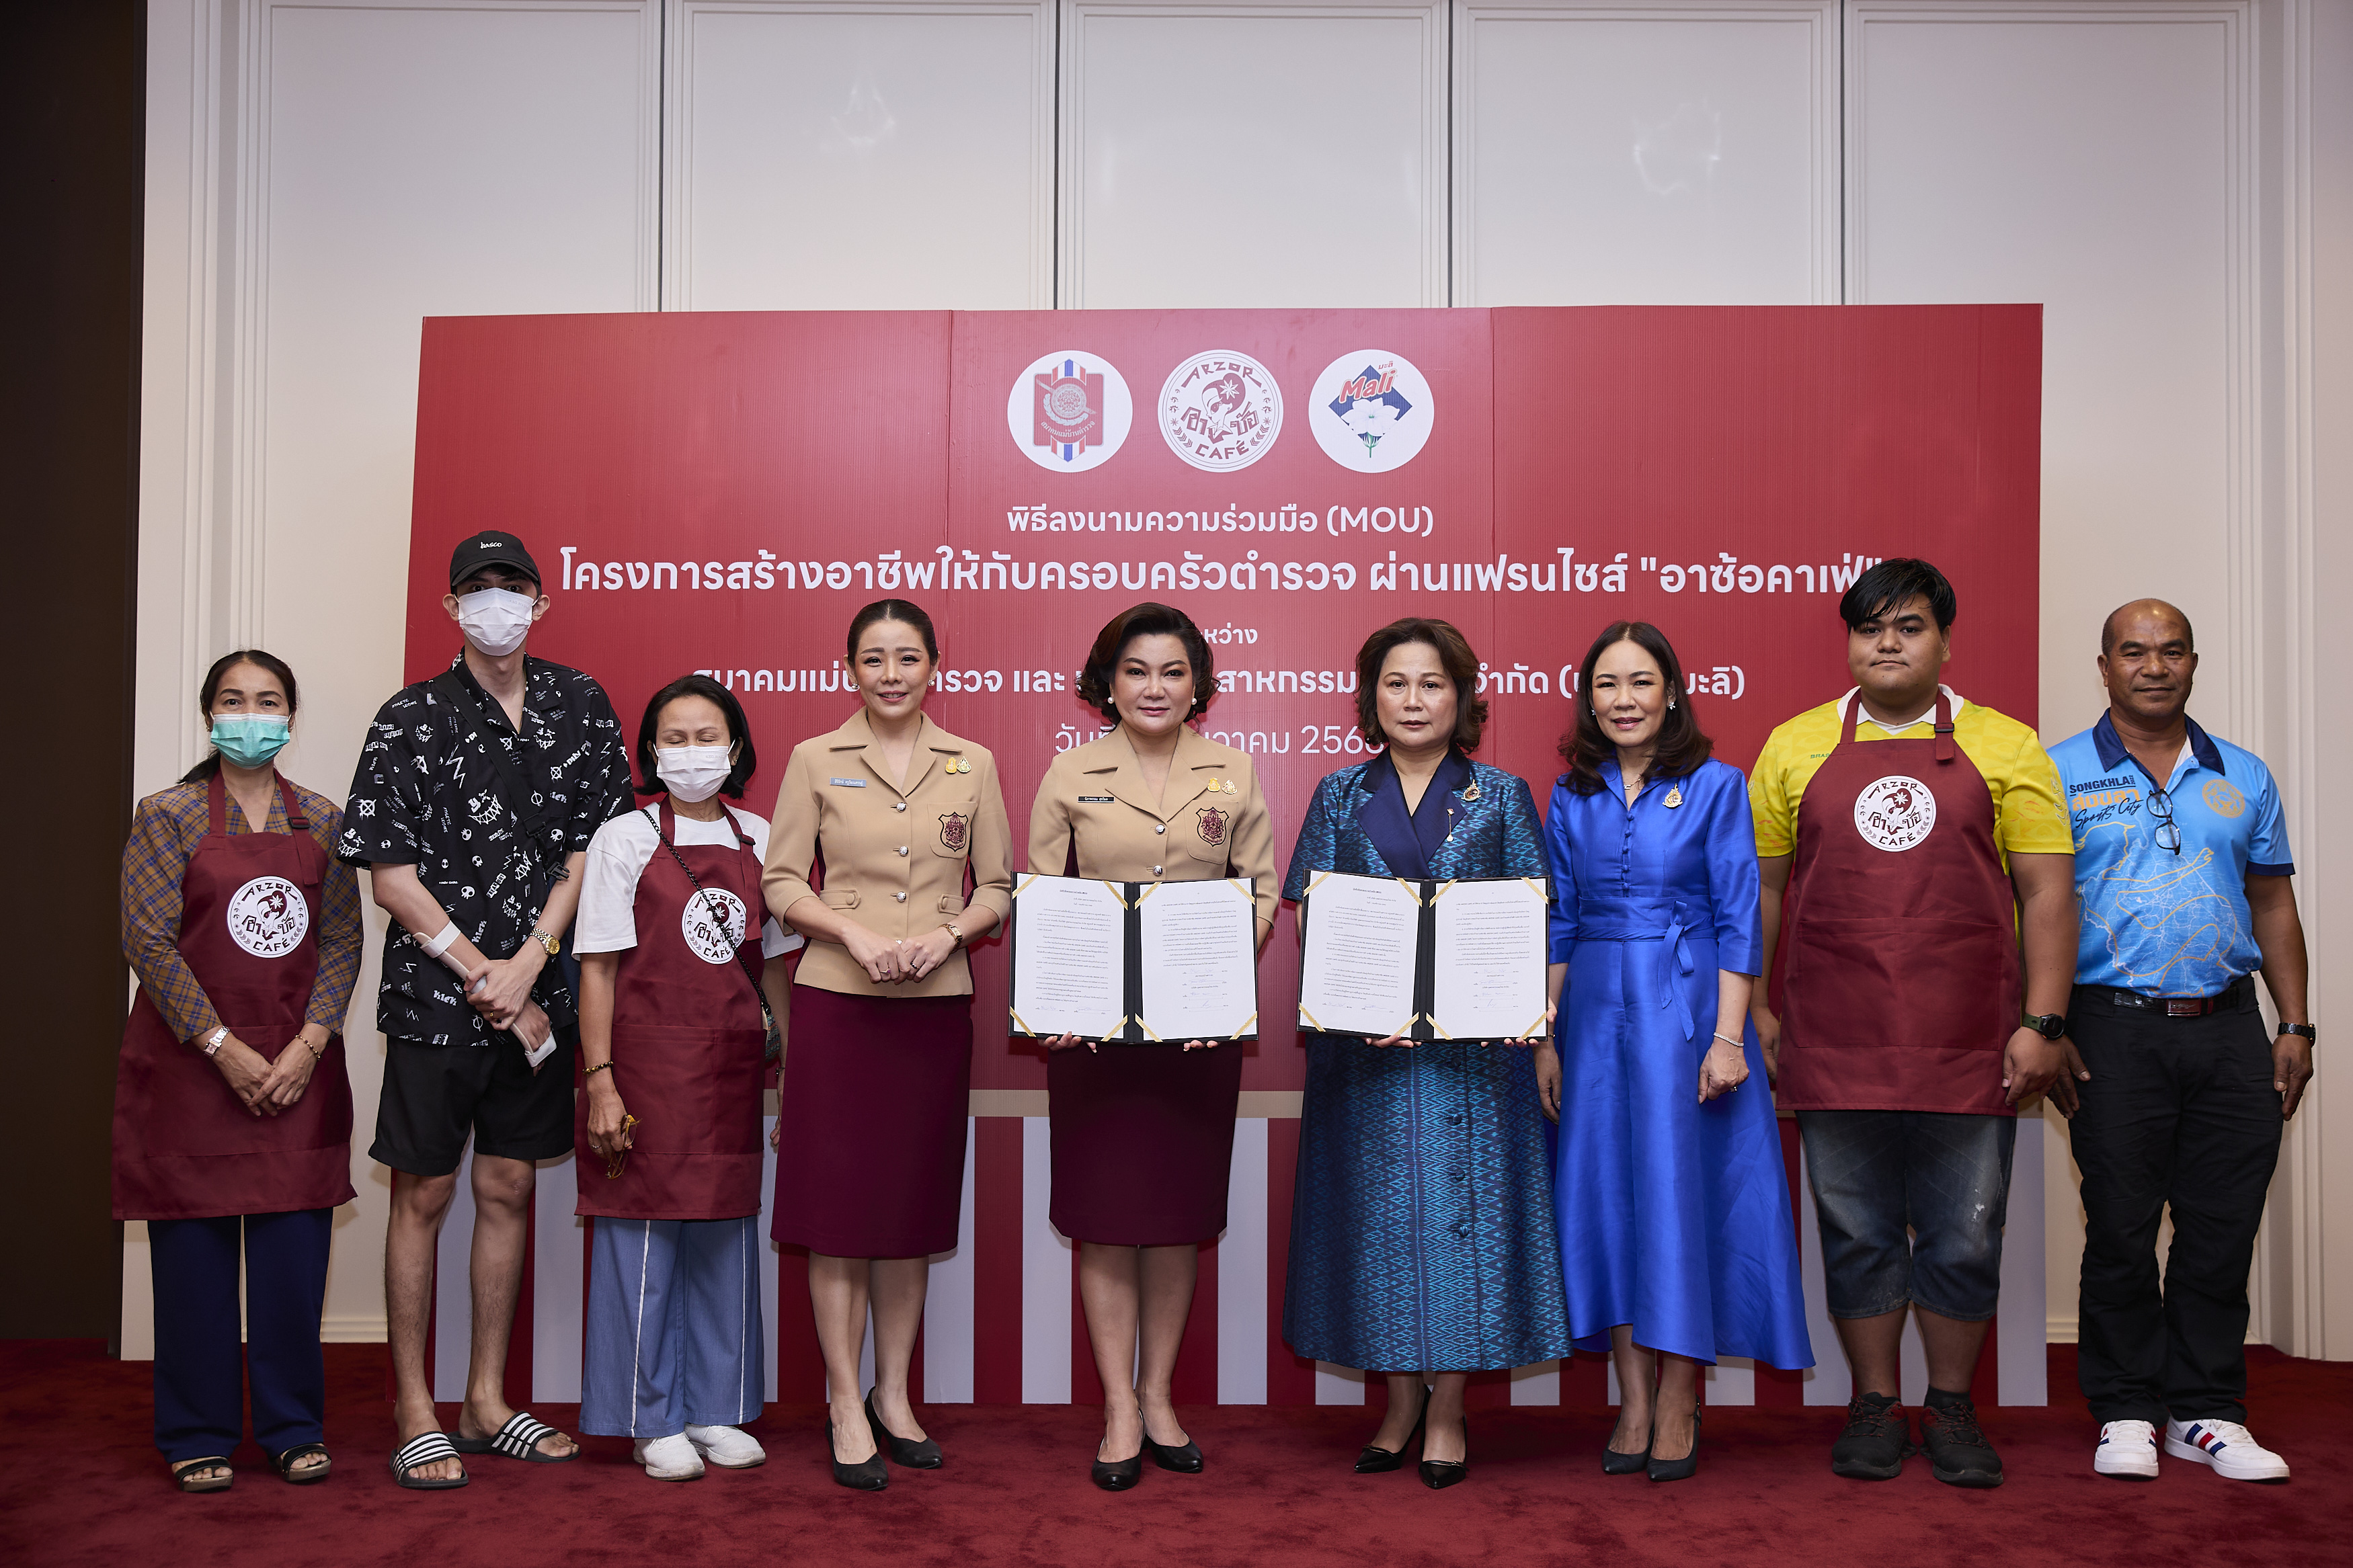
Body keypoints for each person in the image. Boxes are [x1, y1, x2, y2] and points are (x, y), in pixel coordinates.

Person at [1749, 557, 2076, 1489]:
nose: (1887, 643)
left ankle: (1953, 1407)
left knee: (1965, 1234)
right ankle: (1874, 1405)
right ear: (1849, 642)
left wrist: (2043, 1022)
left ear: (1944, 638)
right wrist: (1763, 1005)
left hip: (1972, 1039)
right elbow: (1764, 891)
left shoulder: (2009, 746)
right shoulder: (1794, 745)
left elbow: (2049, 891)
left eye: (1909, 626)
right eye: (1870, 628)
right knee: (1855, 1232)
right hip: (1836, 1035)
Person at [338, 530, 632, 1489]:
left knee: (508, 1188)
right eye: (479, 589)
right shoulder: (410, 715)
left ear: (541, 604)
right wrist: (480, 970)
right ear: (451, 606)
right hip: (435, 999)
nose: (496, 603)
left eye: (513, 587)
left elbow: (597, 848)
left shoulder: (579, 701)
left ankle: (485, 1398)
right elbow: (389, 873)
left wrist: (532, 959)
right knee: (422, 1194)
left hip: (541, 1001)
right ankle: (414, 1405)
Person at [1281, 618, 1568, 1491]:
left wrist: (1537, 1020)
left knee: (1459, 1232)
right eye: (1397, 683)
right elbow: (1311, 915)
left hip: (1473, 1062)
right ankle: (1398, 1401)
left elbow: (1532, 917)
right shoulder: (1337, 793)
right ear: (1372, 696)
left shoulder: (1503, 794)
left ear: (1463, 697)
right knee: (1379, 1232)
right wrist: (1346, 998)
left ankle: (1447, 1411)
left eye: (1432, 683)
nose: (1414, 699)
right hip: (1364, 1056)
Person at [1542, 621, 1812, 1482]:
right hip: (1588, 1018)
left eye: (1639, 682)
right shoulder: (1567, 793)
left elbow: (1739, 916)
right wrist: (1546, 1034)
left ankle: (1677, 1393)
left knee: (1675, 1195)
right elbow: (1556, 918)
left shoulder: (1715, 784)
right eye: (1606, 685)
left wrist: (1729, 1037)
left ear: (1670, 692)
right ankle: (1629, 1392)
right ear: (1588, 698)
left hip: (1688, 1013)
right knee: (1606, 1198)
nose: (1623, 699)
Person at [2048, 600, 2311, 1483]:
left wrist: (2297, 1023)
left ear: (2193, 662)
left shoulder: (2242, 773)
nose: (2153, 666)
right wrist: (2044, 1026)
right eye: (2134, 651)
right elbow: (2033, 911)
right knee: (2120, 1228)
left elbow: (2273, 901)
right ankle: (2125, 1408)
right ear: (2105, 664)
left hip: (2233, 1030)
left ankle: (2204, 1412)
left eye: (2170, 651)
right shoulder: (2056, 774)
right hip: (2108, 1029)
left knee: (2220, 1229)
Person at [1028, 602, 1277, 1492]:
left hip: (1196, 1031)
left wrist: (1215, 978)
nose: (1155, 687)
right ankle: (1119, 1410)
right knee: (1105, 1220)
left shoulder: (1234, 770)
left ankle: (1160, 1395)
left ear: (1198, 683)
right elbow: (1045, 899)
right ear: (1110, 680)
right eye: (1137, 670)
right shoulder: (1071, 770)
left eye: (1173, 671)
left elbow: (1259, 890)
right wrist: (1051, 997)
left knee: (1177, 1218)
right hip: (1093, 1038)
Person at [764, 600, 1012, 1491]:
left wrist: (950, 937)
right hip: (838, 1002)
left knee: (908, 1211)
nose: (892, 672)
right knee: (838, 1214)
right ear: (850, 670)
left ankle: (893, 1395)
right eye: (875, 658)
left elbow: (999, 884)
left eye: (909, 656)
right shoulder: (814, 760)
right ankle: (841, 1398)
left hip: (935, 1006)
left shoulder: (973, 763)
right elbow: (782, 878)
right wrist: (848, 934)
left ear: (935, 665)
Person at [115, 651, 361, 1492]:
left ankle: (293, 1427)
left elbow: (341, 940)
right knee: (194, 1266)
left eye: (267, 700)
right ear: (207, 713)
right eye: (232, 699)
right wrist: (222, 1045)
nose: (249, 714)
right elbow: (147, 940)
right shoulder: (168, 814)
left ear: (291, 716)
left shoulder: (325, 819)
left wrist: (309, 1042)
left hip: (297, 1069)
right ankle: (196, 1430)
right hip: (193, 1070)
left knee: (294, 1269)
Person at [575, 675, 802, 1481]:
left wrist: (793, 1078)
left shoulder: (761, 835)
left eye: (708, 735)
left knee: (723, 1233)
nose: (692, 750)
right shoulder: (622, 838)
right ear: (650, 752)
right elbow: (597, 969)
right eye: (674, 737)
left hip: (732, 1071)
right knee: (641, 1239)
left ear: (735, 749)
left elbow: (774, 967)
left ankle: (716, 1405)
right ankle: (646, 1413)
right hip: (643, 1069)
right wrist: (600, 1080)